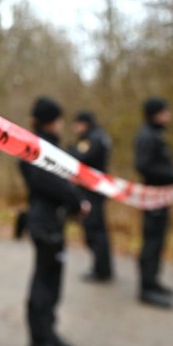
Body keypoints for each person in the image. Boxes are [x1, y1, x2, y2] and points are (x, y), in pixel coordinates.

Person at [19, 96, 90, 346]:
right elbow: (51, 183)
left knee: (53, 283)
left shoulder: (49, 147)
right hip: (44, 225)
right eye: (59, 119)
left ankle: (49, 334)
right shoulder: (34, 149)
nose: (62, 124)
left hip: (54, 223)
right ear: (51, 120)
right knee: (44, 285)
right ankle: (38, 344)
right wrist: (77, 202)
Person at [134, 97, 173, 309]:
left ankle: (154, 282)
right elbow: (143, 166)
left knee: (159, 241)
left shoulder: (157, 134)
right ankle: (146, 289)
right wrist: (171, 176)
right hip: (152, 198)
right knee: (151, 242)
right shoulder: (147, 136)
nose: (169, 116)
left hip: (161, 198)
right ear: (156, 113)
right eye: (165, 111)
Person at [69, 110, 114, 283]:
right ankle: (102, 269)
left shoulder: (92, 139)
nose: (75, 128)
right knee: (99, 231)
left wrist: (71, 150)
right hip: (96, 190)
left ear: (85, 123)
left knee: (95, 232)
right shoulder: (100, 136)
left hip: (91, 192)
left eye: (77, 124)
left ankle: (101, 271)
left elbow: (80, 158)